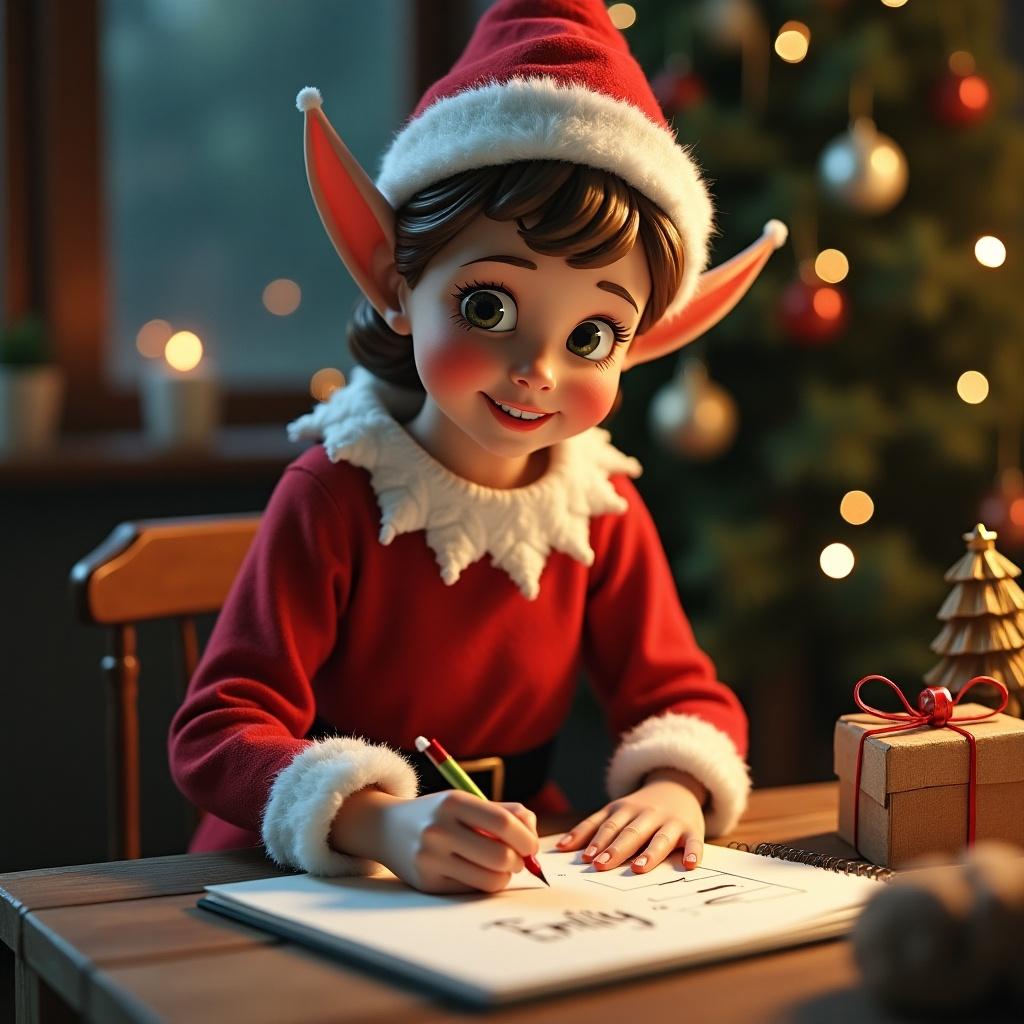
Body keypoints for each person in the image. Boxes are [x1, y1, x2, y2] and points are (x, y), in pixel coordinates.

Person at [168, 0, 786, 894]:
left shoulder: (599, 510)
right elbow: (218, 728)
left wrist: (678, 786)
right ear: (394, 280)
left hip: (504, 875)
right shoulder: (337, 491)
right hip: (296, 879)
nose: (536, 369)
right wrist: (380, 820)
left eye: (591, 337)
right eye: (487, 307)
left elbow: (682, 698)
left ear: (643, 340)